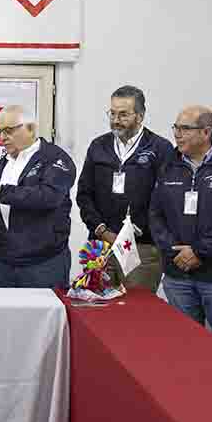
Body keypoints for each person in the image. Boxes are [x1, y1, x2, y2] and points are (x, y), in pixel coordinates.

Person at [148, 106, 212, 347]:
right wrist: (174, 251)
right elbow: (155, 215)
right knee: (184, 346)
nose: (177, 134)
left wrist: (198, 251)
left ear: (206, 132)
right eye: (176, 127)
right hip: (177, 274)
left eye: (185, 128)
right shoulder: (167, 166)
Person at [0, 105, 76, 289]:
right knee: (4, 309)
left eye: (9, 130)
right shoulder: (2, 164)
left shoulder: (55, 158)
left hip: (43, 262)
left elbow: (49, 197)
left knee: (44, 308)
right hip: (5, 261)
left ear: (31, 128)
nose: (2, 137)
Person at [76, 85, 173, 291]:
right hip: (101, 244)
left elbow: (166, 199)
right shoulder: (98, 145)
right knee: (97, 304)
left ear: (140, 116)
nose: (116, 120)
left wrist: (140, 229)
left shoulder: (160, 148)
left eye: (123, 114)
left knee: (136, 307)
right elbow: (84, 194)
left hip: (141, 247)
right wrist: (101, 229)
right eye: (112, 113)